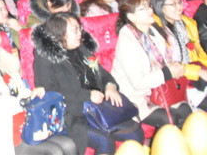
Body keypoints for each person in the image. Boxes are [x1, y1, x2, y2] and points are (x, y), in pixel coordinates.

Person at [0, 15, 77, 154]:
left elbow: (21, 91)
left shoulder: (4, 62)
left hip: (25, 122)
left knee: (69, 144)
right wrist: (23, 103)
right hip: (1, 131)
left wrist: (33, 94)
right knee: (54, 152)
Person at [32, 13, 144, 155]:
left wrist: (110, 86)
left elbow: (102, 73)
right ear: (60, 33)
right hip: (72, 114)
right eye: (75, 29)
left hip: (99, 107)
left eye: (79, 28)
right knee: (104, 141)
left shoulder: (81, 48)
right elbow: (51, 95)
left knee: (135, 132)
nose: (80, 33)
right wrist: (87, 96)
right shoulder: (45, 58)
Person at [110, 0, 192, 129]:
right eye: (143, 9)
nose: (150, 10)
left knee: (186, 110)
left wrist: (175, 69)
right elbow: (138, 83)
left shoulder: (153, 30)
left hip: (160, 91)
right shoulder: (127, 42)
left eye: (149, 6)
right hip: (137, 99)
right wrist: (167, 73)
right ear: (132, 17)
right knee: (171, 119)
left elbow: (166, 61)